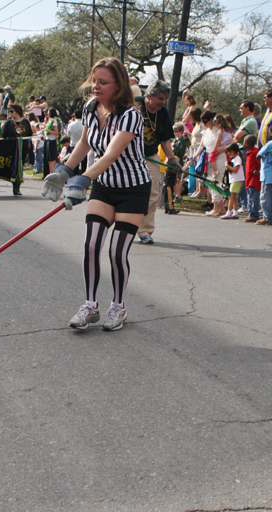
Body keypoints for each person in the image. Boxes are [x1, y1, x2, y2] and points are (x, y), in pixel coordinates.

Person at [40, 57, 152, 331]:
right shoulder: (91, 107)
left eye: (103, 82)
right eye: (94, 81)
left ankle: (119, 306)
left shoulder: (131, 116)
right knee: (91, 245)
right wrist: (65, 171)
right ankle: (90, 305)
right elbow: (86, 143)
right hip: (104, 185)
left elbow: (112, 153)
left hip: (133, 189)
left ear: (118, 85)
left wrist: (82, 181)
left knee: (116, 252)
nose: (95, 86)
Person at [136, 79, 180, 243]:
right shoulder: (134, 105)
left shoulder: (163, 113)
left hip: (151, 155)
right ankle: (124, 225)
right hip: (130, 156)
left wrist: (172, 159)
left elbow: (164, 140)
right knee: (129, 191)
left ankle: (145, 231)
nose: (163, 102)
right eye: (160, 98)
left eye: (164, 99)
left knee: (153, 193)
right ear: (149, 95)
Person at [256, 123, 272, 225]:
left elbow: (259, 155)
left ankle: (267, 217)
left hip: (267, 172)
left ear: (271, 133)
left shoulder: (269, 144)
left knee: (265, 196)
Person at [220, 143, 244, 219]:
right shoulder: (234, 159)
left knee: (231, 196)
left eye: (229, 152)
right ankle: (235, 212)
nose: (228, 154)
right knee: (234, 197)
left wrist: (228, 166)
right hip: (234, 179)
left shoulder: (238, 159)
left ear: (233, 151)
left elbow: (235, 170)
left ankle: (229, 212)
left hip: (236, 179)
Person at [242, 135, 261, 222]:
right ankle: (251, 214)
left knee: (253, 198)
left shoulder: (255, 152)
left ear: (247, 143)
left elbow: (260, 163)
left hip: (254, 180)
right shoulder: (249, 152)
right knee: (249, 197)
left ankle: (254, 215)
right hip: (249, 180)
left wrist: (257, 170)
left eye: (244, 142)